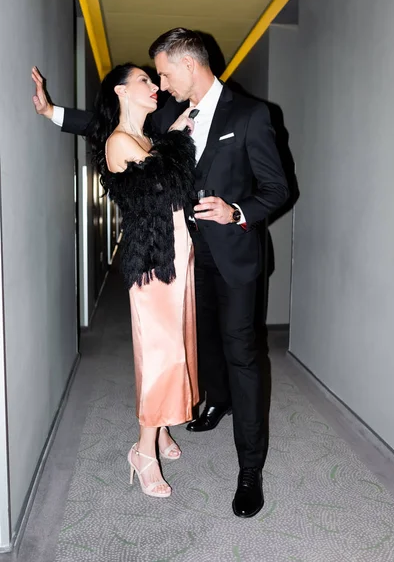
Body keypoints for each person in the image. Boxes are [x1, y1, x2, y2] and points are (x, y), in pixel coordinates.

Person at [32, 29, 289, 518]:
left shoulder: (253, 115)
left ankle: (249, 467)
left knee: (242, 351)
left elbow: (277, 189)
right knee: (198, 341)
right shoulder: (171, 115)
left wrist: (237, 210)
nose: (162, 84)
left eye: (164, 73)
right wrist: (53, 114)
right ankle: (213, 401)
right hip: (182, 257)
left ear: (189, 65)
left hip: (231, 250)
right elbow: (111, 123)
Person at [33, 62, 200, 498]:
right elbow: (171, 184)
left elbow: (169, 170)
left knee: (177, 344)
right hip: (153, 259)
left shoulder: (147, 136)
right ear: (122, 93)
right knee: (161, 352)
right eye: (145, 80)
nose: (155, 86)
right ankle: (144, 452)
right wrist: (180, 140)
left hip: (179, 251)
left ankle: (159, 426)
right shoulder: (122, 142)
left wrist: (172, 137)